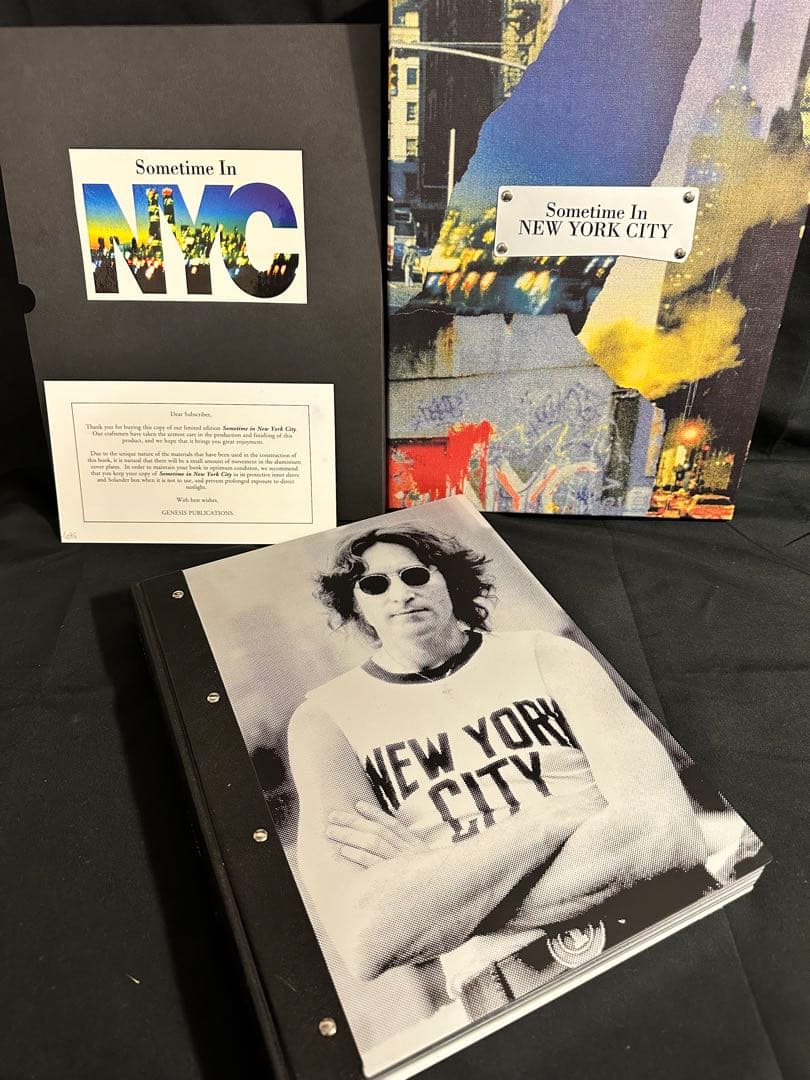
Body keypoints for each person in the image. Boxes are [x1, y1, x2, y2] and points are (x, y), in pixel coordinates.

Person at [287, 526, 709, 1020]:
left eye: (415, 575)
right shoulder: (326, 721)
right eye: (375, 585)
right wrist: (554, 818)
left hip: (665, 915)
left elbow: (666, 834)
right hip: (504, 982)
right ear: (356, 605)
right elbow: (366, 939)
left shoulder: (547, 656)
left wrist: (439, 888)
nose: (400, 593)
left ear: (448, 580)